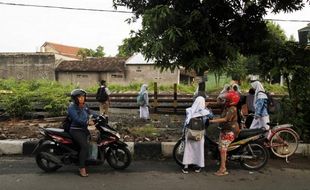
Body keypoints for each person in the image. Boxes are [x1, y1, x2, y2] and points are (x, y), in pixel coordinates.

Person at [209, 91, 240, 176]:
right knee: (220, 147)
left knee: (223, 149)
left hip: (230, 131)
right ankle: (223, 163)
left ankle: (223, 169)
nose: (225, 100)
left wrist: (213, 121)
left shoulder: (232, 108)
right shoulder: (227, 106)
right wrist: (207, 103)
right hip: (225, 130)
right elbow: (219, 101)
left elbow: (226, 119)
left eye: (227, 99)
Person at [68, 89, 97, 177]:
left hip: (84, 129)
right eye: (80, 97)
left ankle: (86, 159)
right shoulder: (72, 107)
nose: (82, 99)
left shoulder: (84, 105)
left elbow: (91, 112)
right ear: (75, 98)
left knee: (93, 140)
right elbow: (76, 119)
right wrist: (87, 122)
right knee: (85, 146)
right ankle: (81, 168)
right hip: (76, 130)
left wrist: (100, 116)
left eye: (83, 97)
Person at [182, 96, 211, 174]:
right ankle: (198, 166)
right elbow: (211, 117)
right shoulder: (205, 112)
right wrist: (205, 108)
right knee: (199, 149)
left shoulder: (189, 111)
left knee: (189, 149)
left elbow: (186, 123)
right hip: (199, 134)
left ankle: (186, 167)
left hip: (190, 133)